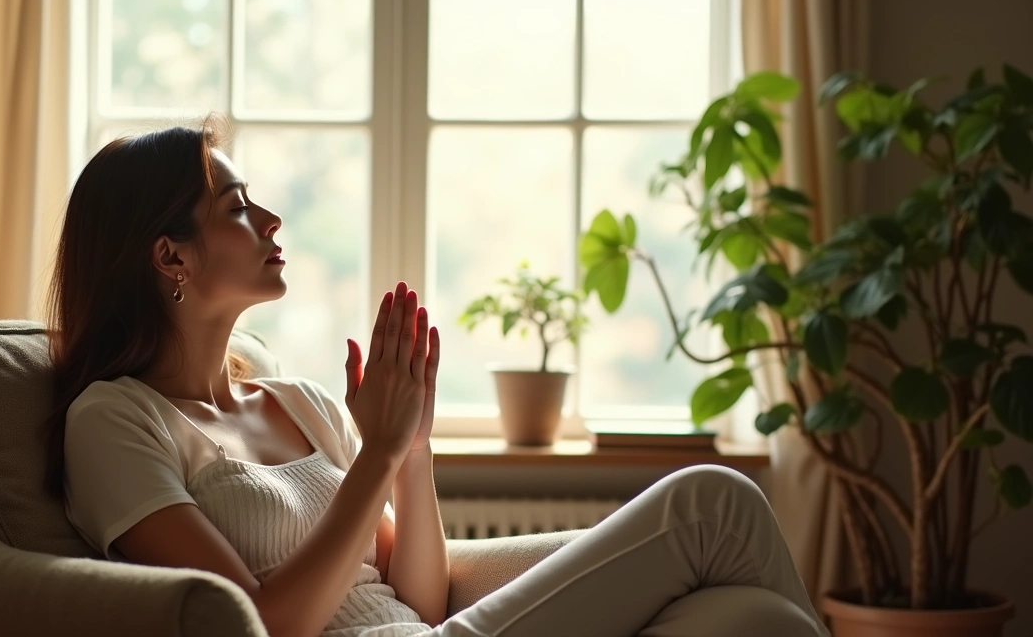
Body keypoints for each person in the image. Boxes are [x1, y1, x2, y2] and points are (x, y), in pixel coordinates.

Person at [46, 116, 830, 637]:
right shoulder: (116, 420)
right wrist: (375, 459)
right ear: (169, 255)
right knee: (713, 503)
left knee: (760, 619)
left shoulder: (299, 402)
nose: (273, 222)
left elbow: (419, 599)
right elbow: (257, 628)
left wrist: (412, 451)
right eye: (237, 208)